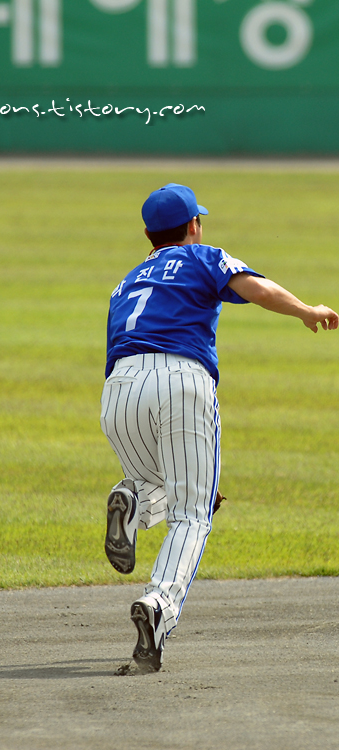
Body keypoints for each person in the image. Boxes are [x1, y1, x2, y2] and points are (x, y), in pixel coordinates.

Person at [100, 183, 338, 673]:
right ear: (192, 226)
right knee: (193, 514)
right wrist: (306, 310)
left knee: (159, 486)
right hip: (181, 382)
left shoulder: (125, 281)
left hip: (118, 392)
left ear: (148, 234)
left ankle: (132, 503)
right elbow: (256, 287)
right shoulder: (202, 257)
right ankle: (158, 606)